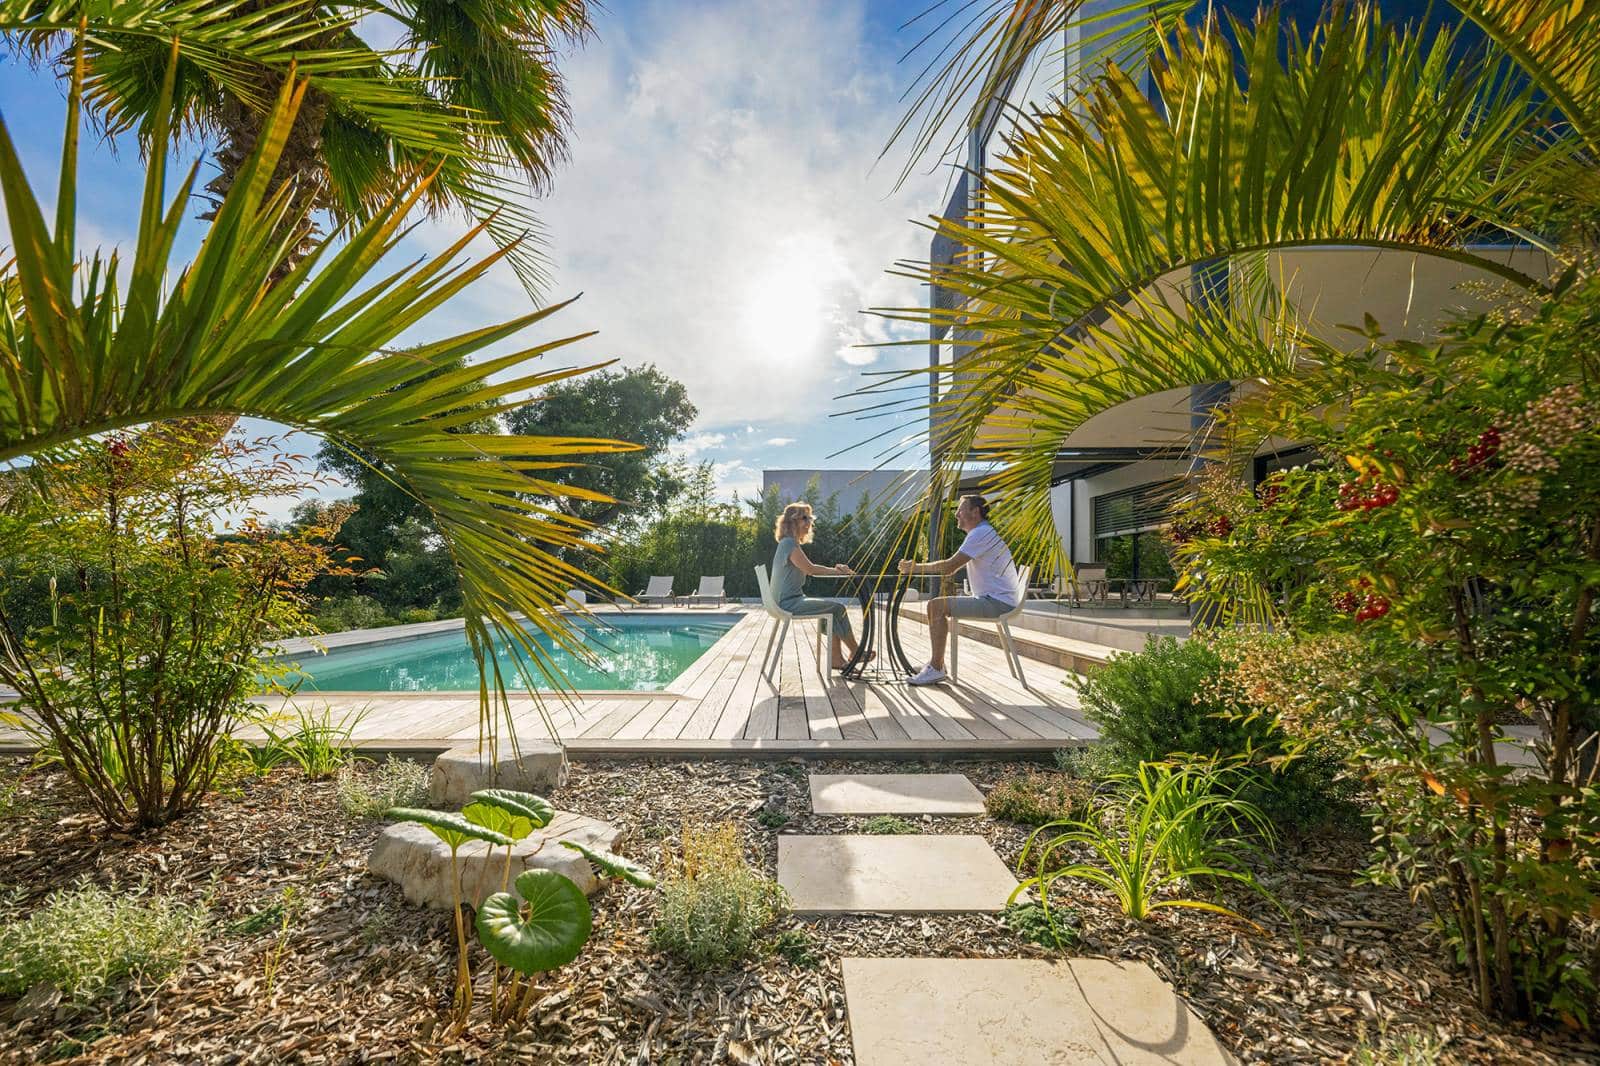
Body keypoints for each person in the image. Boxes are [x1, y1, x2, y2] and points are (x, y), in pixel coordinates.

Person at [896, 494, 1021, 686]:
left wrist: (916, 568)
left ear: (975, 512)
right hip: (997, 599)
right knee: (936, 605)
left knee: (936, 606)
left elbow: (949, 567)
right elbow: (953, 565)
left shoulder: (981, 533)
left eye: (960, 510)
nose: (957, 515)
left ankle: (936, 668)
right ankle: (936, 664)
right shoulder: (982, 533)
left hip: (997, 603)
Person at [770, 502, 872, 670]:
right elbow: (810, 569)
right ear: (793, 521)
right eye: (805, 518)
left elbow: (810, 568)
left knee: (831, 610)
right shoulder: (789, 544)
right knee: (837, 608)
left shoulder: (788, 543)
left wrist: (836, 571)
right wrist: (839, 572)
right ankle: (856, 651)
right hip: (787, 603)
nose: (810, 522)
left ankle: (837, 659)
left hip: (788, 600)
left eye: (810, 518)